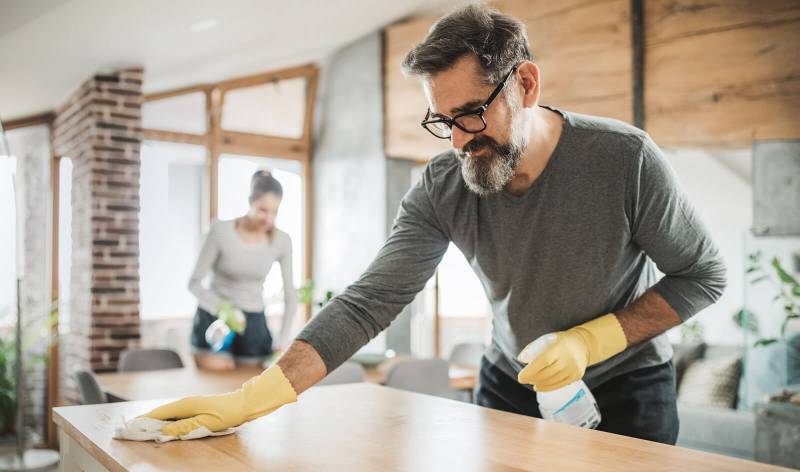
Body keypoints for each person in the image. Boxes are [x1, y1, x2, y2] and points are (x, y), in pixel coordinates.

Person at [143, 5, 726, 445]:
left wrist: (591, 340)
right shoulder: (444, 184)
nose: (458, 141)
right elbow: (369, 302)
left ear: (525, 84)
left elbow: (703, 274)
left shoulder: (624, 160)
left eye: (471, 114)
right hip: (510, 383)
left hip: (627, 388)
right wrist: (255, 397)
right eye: (442, 120)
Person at [188, 169, 297, 369]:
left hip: (253, 324)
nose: (269, 219)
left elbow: (291, 296)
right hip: (213, 319)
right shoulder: (220, 231)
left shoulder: (282, 241)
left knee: (249, 387)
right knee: (215, 384)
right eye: (263, 210)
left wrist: (281, 343)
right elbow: (194, 283)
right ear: (250, 202)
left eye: (275, 212)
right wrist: (221, 307)